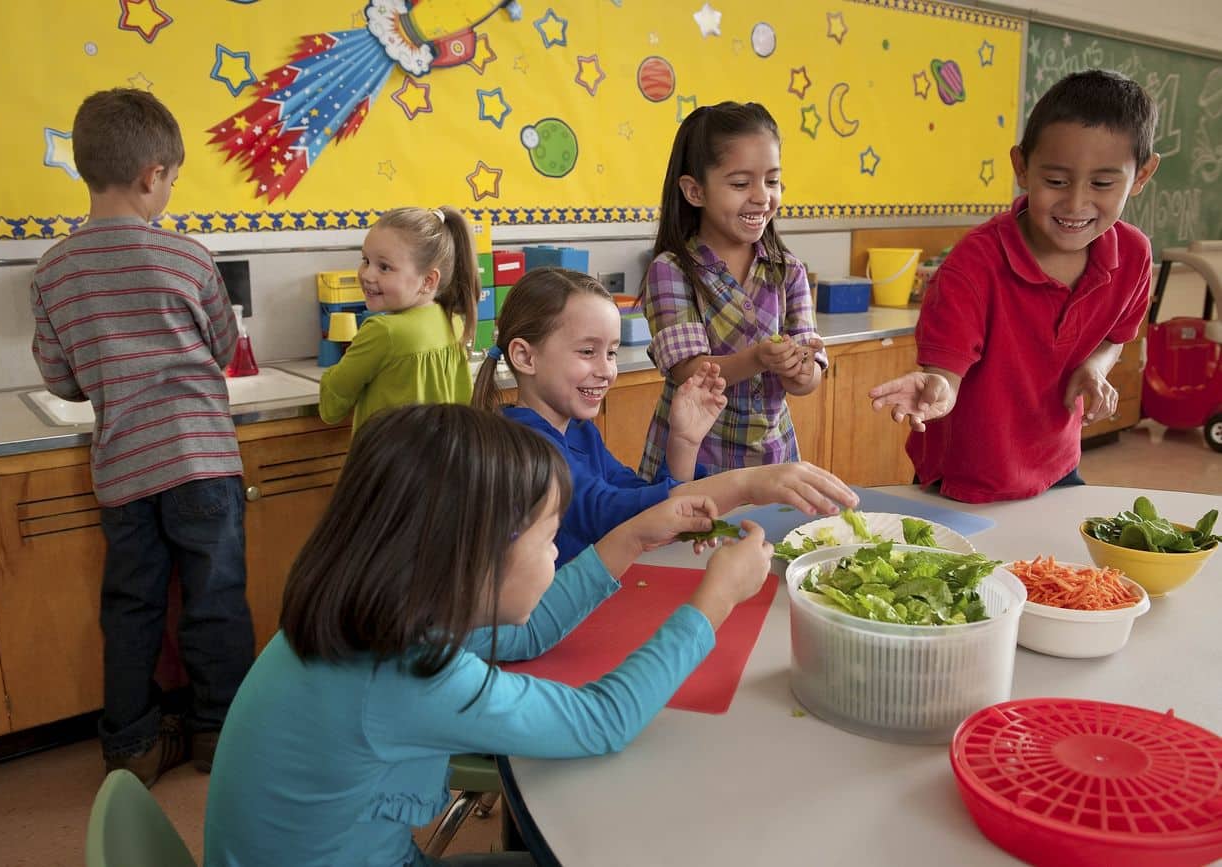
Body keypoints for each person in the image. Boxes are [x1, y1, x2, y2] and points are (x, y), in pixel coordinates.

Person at [202, 404, 773, 867]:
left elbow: (529, 632)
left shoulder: (374, 618)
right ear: (477, 555)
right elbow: (602, 721)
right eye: (549, 539)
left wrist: (631, 538)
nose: (555, 552)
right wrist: (715, 598)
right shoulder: (406, 674)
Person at [29, 88, 255, 787]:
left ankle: (128, 744)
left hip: (124, 469)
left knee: (132, 607)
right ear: (154, 174)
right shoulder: (188, 258)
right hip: (203, 462)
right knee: (216, 598)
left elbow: (62, 379)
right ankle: (222, 734)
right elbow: (222, 343)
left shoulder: (53, 271)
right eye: (174, 180)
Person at [868, 70, 1160, 502]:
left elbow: (1117, 338)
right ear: (1022, 167)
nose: (1076, 203)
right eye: (1056, 181)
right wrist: (937, 391)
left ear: (1141, 175)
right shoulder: (974, 264)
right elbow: (946, 374)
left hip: (1059, 465)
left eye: (1102, 183)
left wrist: (1093, 369)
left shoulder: (1133, 255)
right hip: (964, 481)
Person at [473, 267, 857, 567]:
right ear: (525, 357)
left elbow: (636, 498)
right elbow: (612, 514)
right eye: (587, 351)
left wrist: (684, 442)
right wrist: (747, 483)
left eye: (611, 353)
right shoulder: (523, 447)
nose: (607, 370)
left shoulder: (579, 431)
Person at [638, 100, 826, 480]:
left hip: (774, 459)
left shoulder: (788, 270)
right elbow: (688, 371)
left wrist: (801, 369)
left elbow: (809, 376)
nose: (761, 196)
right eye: (741, 184)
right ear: (695, 191)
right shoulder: (672, 270)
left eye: (772, 181)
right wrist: (759, 357)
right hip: (694, 462)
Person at [319, 205, 479, 430]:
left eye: (384, 267)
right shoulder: (452, 321)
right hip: (443, 462)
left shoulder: (383, 331)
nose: (367, 274)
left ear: (428, 280)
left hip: (390, 464)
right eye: (365, 260)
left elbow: (331, 407)